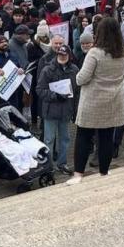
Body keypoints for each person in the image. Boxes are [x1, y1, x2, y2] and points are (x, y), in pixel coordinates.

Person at [67, 17, 124, 185]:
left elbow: (81, 79)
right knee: (107, 137)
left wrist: (77, 76)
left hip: (93, 100)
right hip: (114, 99)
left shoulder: (95, 53)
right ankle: (104, 171)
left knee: (84, 137)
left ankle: (78, 174)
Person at [36, 43, 79, 175]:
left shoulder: (74, 70)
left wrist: (75, 110)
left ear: (69, 56)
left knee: (65, 138)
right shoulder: (48, 70)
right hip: (51, 110)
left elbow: (77, 91)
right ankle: (48, 166)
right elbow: (39, 90)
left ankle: (62, 163)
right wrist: (55, 96)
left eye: (64, 55)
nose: (62, 56)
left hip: (66, 110)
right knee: (49, 139)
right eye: (60, 54)